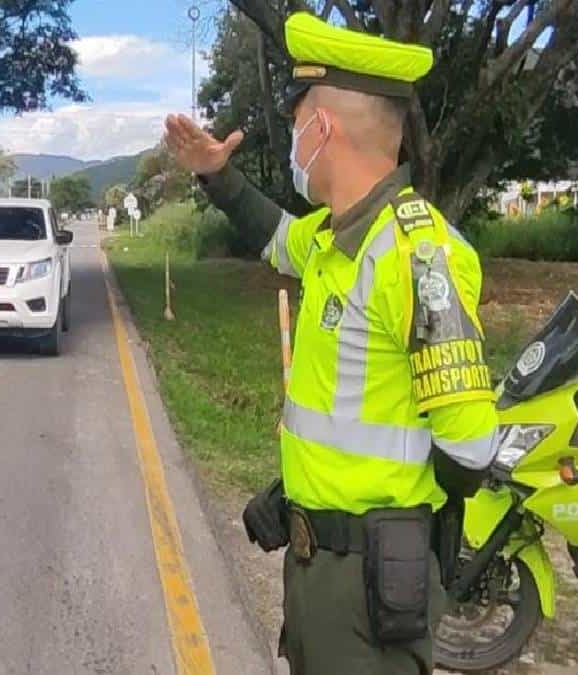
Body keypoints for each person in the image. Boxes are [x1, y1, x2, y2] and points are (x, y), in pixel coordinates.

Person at [163, 12, 498, 675]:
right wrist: (216, 175)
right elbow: (274, 234)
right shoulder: (334, 239)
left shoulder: (416, 257)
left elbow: (470, 448)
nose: (292, 145)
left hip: (371, 582)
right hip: (320, 564)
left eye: (295, 128)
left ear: (322, 129)